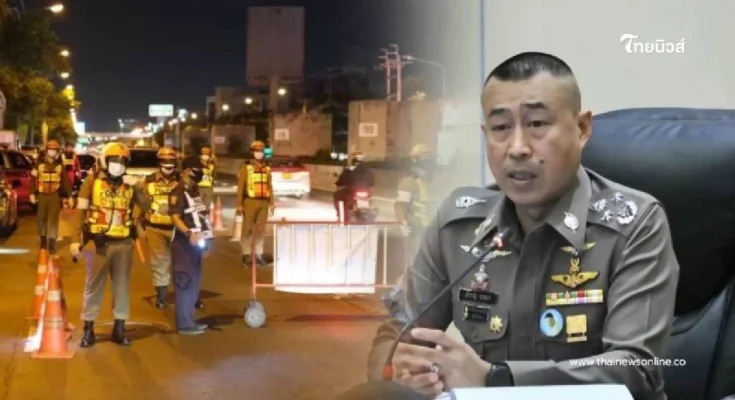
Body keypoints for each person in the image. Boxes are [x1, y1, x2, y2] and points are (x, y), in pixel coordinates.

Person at [366, 52, 679, 399]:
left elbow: (636, 370)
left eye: (537, 124)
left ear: (582, 129)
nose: (517, 148)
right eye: (500, 128)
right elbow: (394, 335)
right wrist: (401, 369)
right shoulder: (458, 225)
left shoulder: (635, 224)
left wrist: (496, 380)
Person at [70, 142, 154, 348]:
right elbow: (80, 211)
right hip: (97, 244)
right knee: (93, 286)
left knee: (121, 287)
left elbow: (147, 205)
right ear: (105, 161)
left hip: (124, 243)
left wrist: (138, 186)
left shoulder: (131, 184)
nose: (118, 164)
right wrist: (74, 240)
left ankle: (119, 329)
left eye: (122, 161)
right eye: (114, 160)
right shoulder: (92, 181)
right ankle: (88, 330)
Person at [167, 156, 213, 335]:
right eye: (197, 170)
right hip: (184, 243)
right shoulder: (178, 191)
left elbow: (201, 217)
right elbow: (175, 217)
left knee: (194, 282)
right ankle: (184, 325)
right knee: (185, 282)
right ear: (186, 171)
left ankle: (190, 320)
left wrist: (206, 242)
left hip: (197, 243)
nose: (200, 173)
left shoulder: (194, 191)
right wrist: (188, 233)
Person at [141, 147, 179, 309]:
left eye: (171, 161)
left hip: (178, 230)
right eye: (165, 161)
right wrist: (137, 223)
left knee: (182, 263)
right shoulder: (149, 181)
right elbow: (141, 202)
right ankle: (162, 297)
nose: (168, 165)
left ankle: (187, 294)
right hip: (155, 228)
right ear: (159, 162)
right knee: (159, 263)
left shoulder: (182, 180)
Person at [235, 140, 275, 267]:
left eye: (261, 151)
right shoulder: (246, 167)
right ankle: (246, 255)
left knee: (261, 231)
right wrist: (239, 204)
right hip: (250, 202)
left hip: (264, 203)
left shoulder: (267, 167)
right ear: (252, 152)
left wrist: (272, 202)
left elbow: (270, 186)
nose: (259, 153)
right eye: (257, 151)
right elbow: (241, 186)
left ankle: (258, 255)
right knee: (247, 229)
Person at [394, 143, 436, 259]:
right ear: (415, 160)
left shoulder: (429, 183)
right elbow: (400, 205)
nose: (428, 163)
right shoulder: (408, 182)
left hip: (430, 231)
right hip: (416, 230)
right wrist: (402, 222)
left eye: (429, 159)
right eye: (424, 159)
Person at [29, 140, 72, 254]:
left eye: (54, 150)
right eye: (50, 150)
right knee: (41, 219)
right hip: (42, 195)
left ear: (57, 152)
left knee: (53, 220)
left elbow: (66, 181)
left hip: (54, 196)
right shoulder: (39, 164)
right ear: (46, 151)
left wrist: (70, 196)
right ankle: (43, 243)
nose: (52, 152)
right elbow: (32, 179)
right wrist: (31, 193)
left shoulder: (60, 166)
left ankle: (52, 244)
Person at [333, 151, 375, 220]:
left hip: (352, 192)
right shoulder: (368, 171)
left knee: (337, 195)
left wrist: (339, 184)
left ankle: (341, 215)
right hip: (366, 193)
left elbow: (342, 180)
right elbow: (372, 182)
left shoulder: (349, 170)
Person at [198, 146, 216, 211]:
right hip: (203, 185)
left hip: (204, 186)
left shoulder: (211, 162)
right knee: (202, 205)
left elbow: (214, 173)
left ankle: (203, 215)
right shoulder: (198, 162)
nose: (205, 155)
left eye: (207, 153)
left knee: (203, 205)